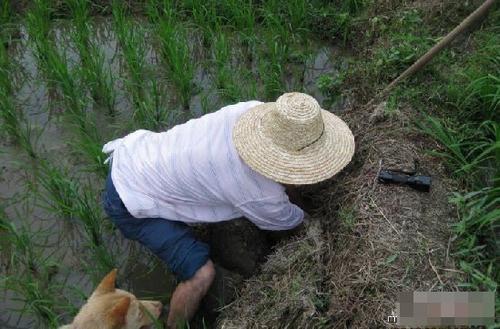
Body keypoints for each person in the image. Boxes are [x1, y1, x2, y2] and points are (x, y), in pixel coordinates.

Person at [101, 92, 355, 327]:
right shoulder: (259, 193)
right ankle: (173, 325)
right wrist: (315, 217)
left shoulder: (252, 112)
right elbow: (292, 223)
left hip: (135, 153)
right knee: (201, 275)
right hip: (128, 198)